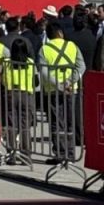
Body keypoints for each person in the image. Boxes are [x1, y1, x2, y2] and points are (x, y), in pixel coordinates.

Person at [38, 22, 85, 164]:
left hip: (53, 91)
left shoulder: (44, 49)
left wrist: (58, 85)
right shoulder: (72, 46)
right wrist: (69, 82)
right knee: (70, 122)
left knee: (56, 123)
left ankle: (60, 153)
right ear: (60, 33)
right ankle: (70, 153)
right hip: (71, 90)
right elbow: (81, 66)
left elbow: (44, 72)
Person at [2, 37, 37, 159]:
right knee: (25, 125)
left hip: (10, 93)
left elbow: (2, 78)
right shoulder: (30, 62)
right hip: (26, 94)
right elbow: (36, 80)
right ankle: (26, 154)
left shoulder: (7, 62)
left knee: (11, 124)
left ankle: (11, 153)